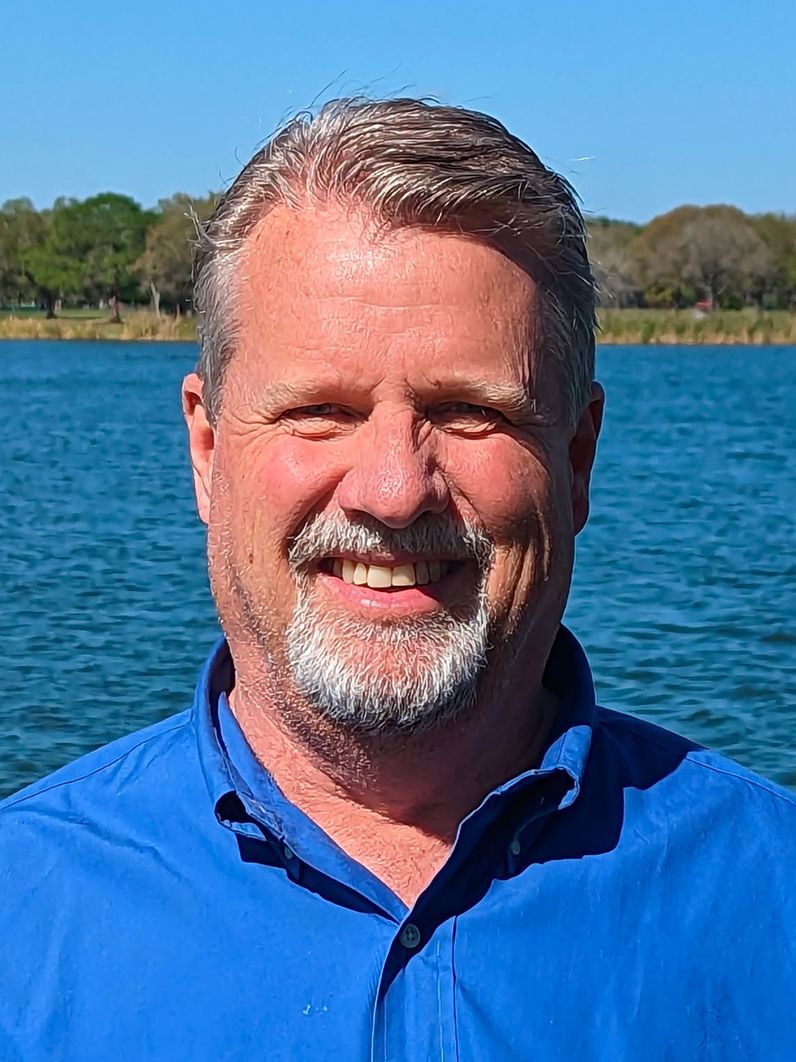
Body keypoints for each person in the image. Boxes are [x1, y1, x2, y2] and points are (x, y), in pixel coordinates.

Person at [0, 97, 793, 1062]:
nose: (392, 489)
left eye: (468, 411)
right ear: (206, 450)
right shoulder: (24, 911)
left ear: (578, 458)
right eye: (320, 410)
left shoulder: (770, 896)